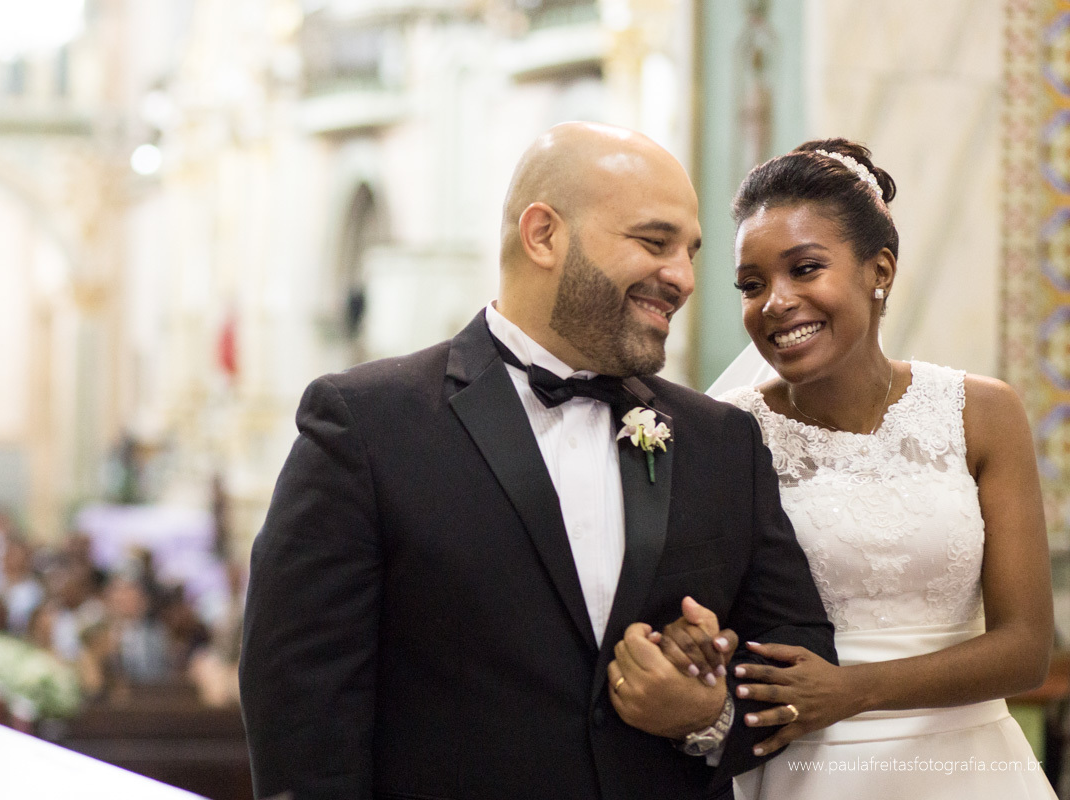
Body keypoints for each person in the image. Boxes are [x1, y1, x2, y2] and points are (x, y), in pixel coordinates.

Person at [238, 121, 836, 800]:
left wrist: (707, 714)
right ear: (543, 234)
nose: (683, 278)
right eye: (654, 241)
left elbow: (804, 662)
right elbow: (302, 713)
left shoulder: (720, 441)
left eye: (691, 252)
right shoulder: (366, 428)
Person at [713, 139, 1056, 798]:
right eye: (752, 285)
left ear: (881, 270)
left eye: (805, 269)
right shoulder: (730, 433)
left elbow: (1026, 646)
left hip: (972, 768)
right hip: (810, 772)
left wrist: (853, 690)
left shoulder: (980, 412)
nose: (775, 302)